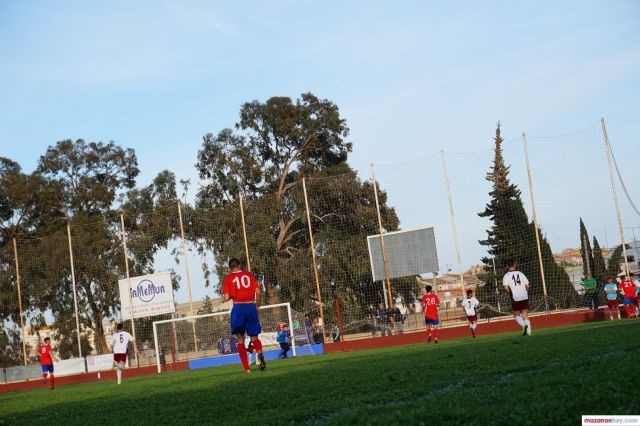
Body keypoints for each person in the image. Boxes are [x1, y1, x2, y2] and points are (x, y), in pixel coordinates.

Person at [222, 257, 266, 373]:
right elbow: (258, 292)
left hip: (238, 308)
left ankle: (247, 368)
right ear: (239, 265)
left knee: (240, 339)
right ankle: (260, 354)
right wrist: (257, 306)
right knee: (254, 337)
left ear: (229, 268)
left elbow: (226, 298)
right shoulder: (249, 275)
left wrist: (228, 297)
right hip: (251, 306)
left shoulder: (228, 278)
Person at [503, 259, 532, 336]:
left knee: (516, 315)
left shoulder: (507, 276)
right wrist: (525, 292)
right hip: (524, 296)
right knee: (525, 315)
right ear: (515, 264)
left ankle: (524, 326)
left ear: (507, 266)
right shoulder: (521, 273)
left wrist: (510, 293)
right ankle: (529, 333)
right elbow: (528, 285)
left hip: (515, 297)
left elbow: (506, 288)